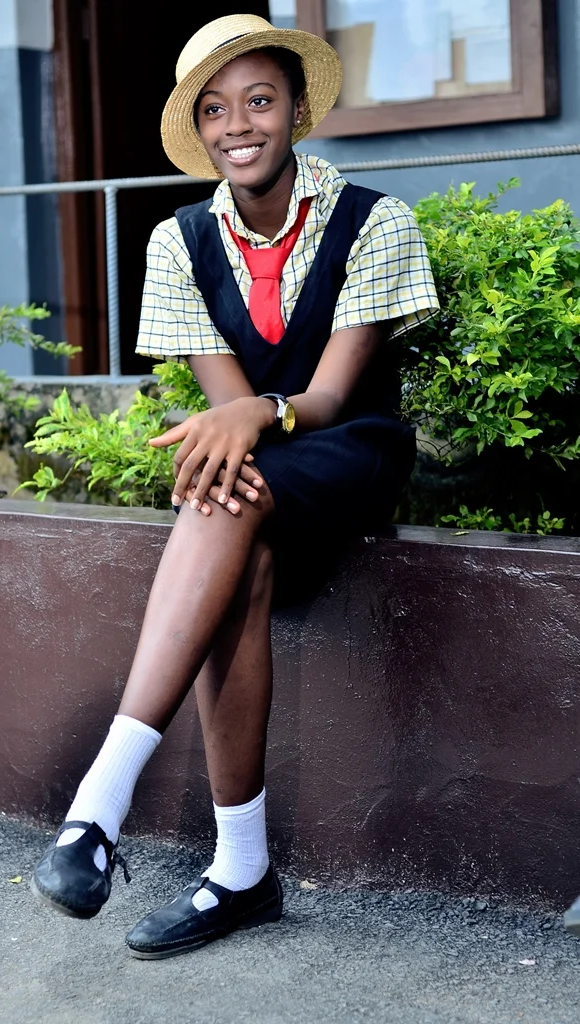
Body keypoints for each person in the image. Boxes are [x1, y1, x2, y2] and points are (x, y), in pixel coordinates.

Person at [30, 13, 439, 959]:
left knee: (226, 493)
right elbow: (227, 417)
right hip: (260, 471)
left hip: (353, 448)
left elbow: (331, 398)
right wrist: (249, 417)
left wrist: (264, 413)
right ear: (201, 130)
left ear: (297, 109)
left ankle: (98, 804)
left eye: (259, 100)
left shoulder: (374, 219)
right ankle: (241, 875)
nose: (238, 124)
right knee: (233, 530)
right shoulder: (177, 241)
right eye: (214, 110)